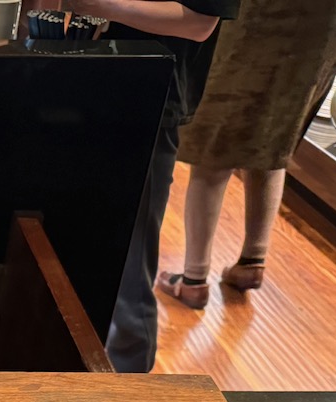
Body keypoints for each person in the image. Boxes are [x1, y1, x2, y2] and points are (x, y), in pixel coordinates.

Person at [158, 2, 336, 309]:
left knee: (214, 145)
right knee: (275, 135)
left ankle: (194, 279)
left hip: (249, 16)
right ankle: (253, 260)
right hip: (327, 22)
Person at [59, 0, 240, 373]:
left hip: (144, 94)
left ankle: (128, 397)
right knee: (64, 249)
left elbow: (199, 22)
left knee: (128, 265)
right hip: (69, 73)